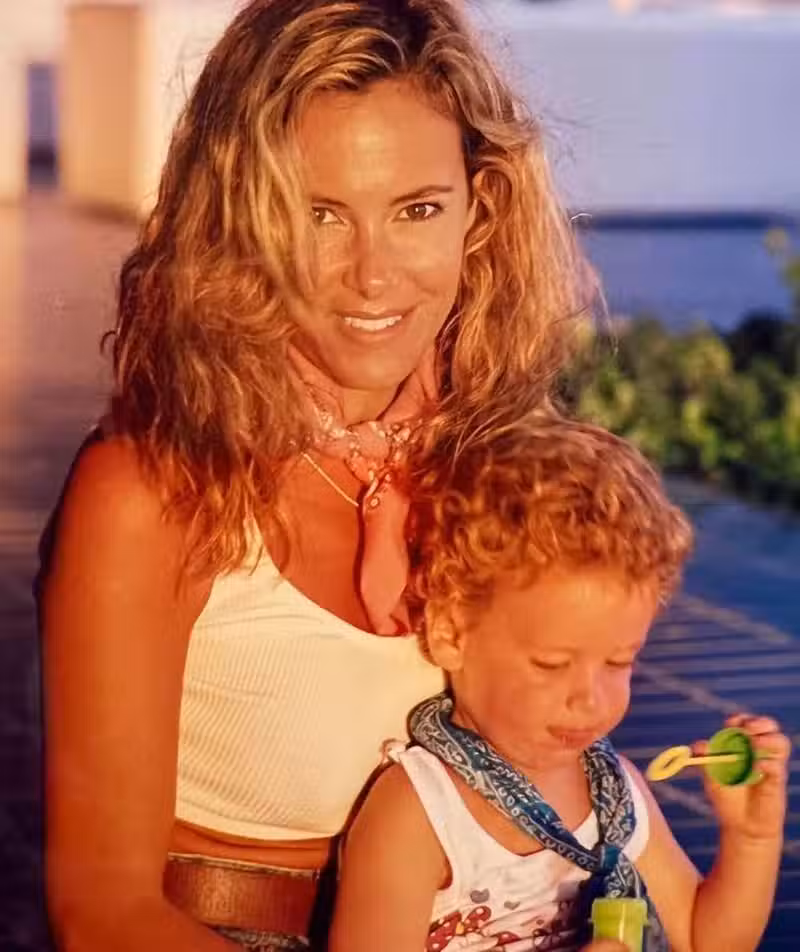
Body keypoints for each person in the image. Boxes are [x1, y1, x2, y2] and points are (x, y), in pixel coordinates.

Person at [37, 1, 603, 950]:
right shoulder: (150, 490)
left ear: (481, 208)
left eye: (417, 210)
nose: (373, 276)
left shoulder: (501, 458)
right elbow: (101, 912)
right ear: (238, 218)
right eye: (320, 214)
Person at [329, 416, 791, 952]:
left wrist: (751, 837)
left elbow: (706, 940)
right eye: (551, 664)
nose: (589, 698)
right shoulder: (422, 813)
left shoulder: (613, 795)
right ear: (452, 633)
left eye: (619, 662)